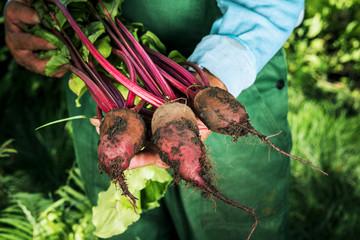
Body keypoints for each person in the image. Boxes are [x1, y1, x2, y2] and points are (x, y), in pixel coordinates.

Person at [4, 0, 305, 239]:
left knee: (231, 229)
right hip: (104, 102)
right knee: (133, 233)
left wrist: (215, 76)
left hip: (232, 66)